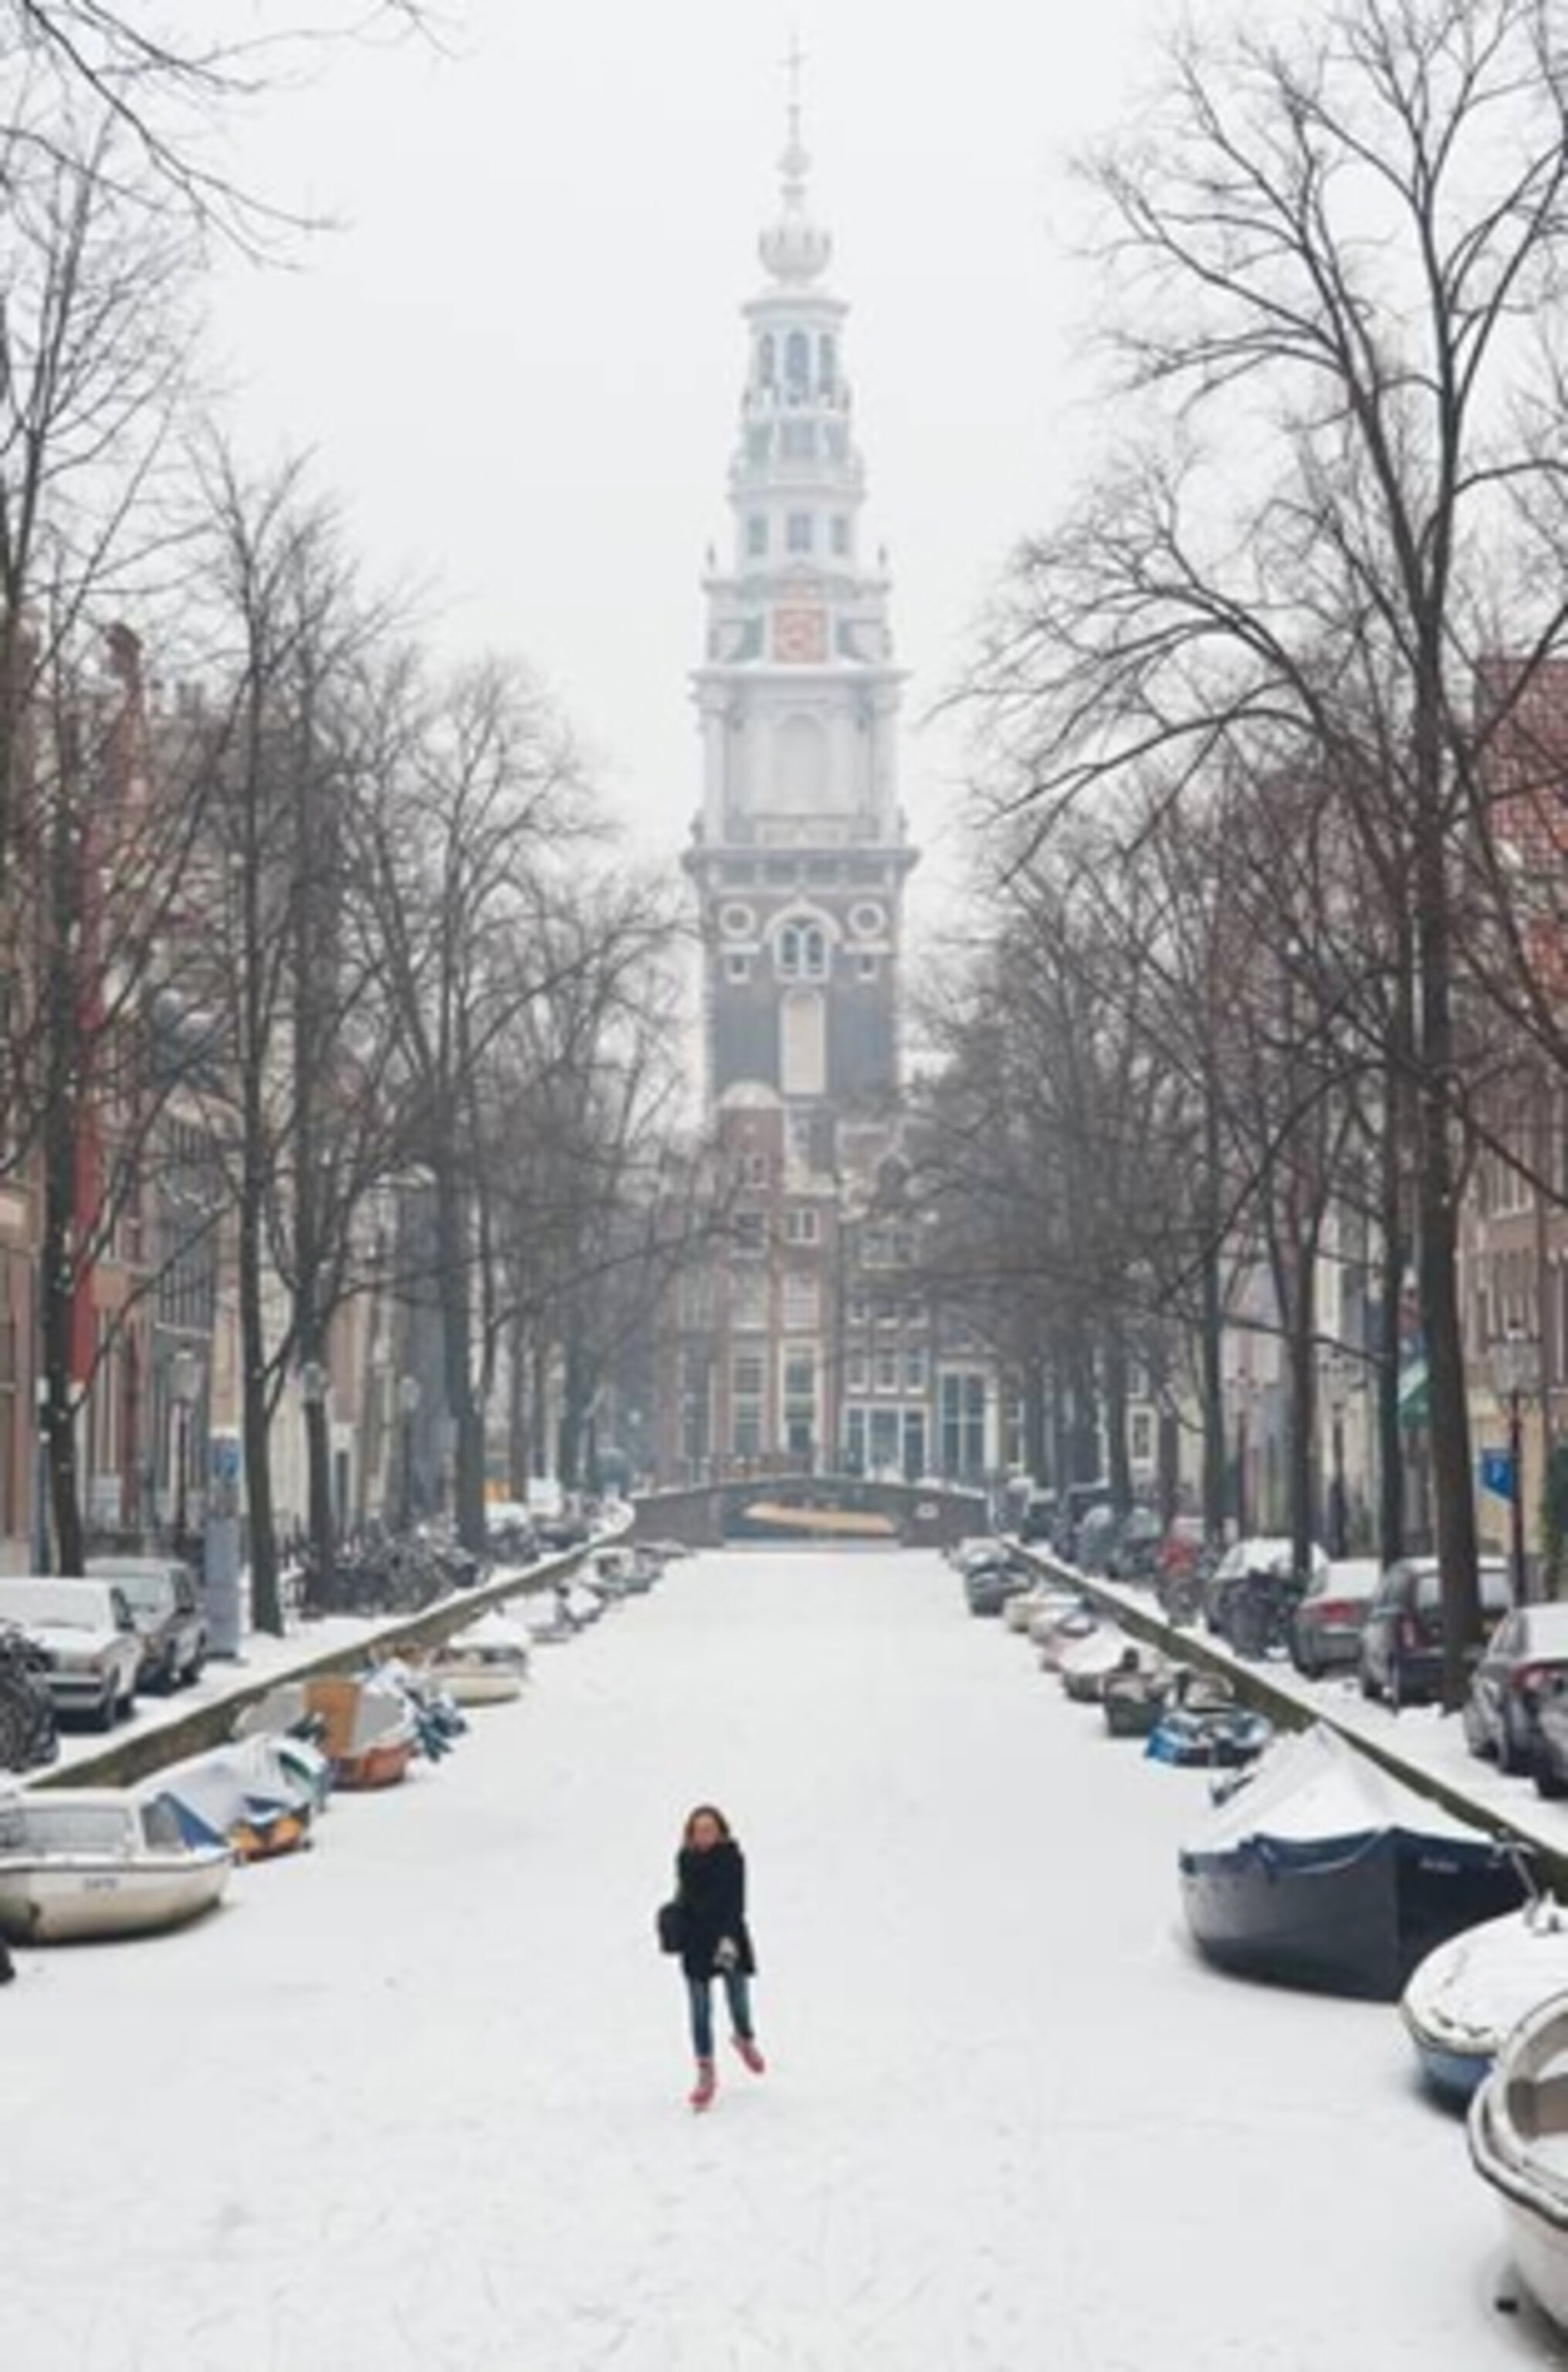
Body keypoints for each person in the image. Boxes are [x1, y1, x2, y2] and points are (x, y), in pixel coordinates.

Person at [673, 1804, 764, 2111]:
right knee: (699, 2009)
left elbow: (736, 1903)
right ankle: (705, 2071)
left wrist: (728, 1940)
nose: (704, 1835)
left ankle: (744, 2037)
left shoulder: (732, 1859)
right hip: (696, 1942)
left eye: (710, 1829)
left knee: (737, 1996)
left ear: (721, 1831)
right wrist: (672, 1921)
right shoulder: (685, 1860)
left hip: (728, 1936)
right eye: (698, 1829)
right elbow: (685, 1898)